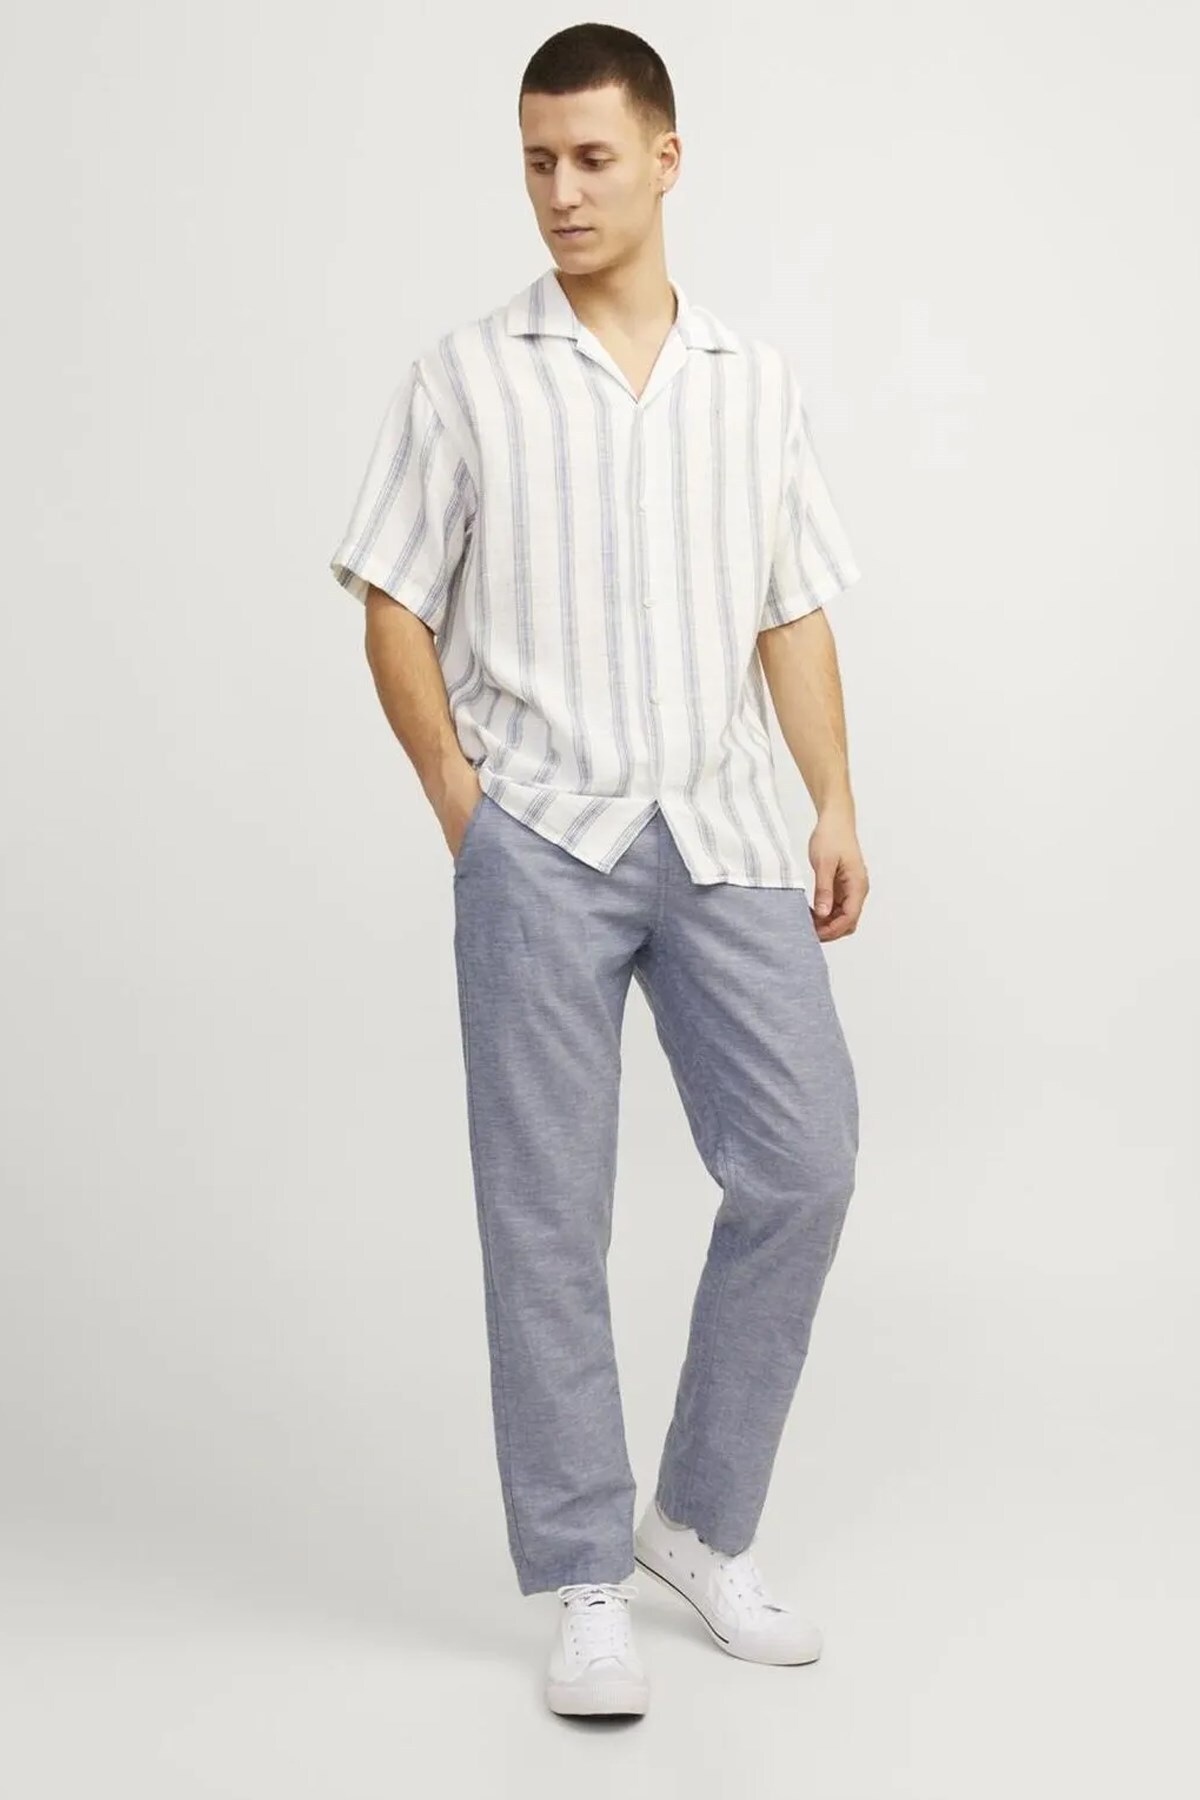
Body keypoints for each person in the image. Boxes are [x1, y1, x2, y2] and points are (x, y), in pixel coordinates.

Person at [328, 22, 868, 1720]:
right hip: (542, 843)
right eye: (538, 163)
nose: (561, 192)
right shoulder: (463, 378)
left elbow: (791, 605)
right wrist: (460, 801)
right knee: (546, 1216)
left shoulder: (753, 381)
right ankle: (580, 1576)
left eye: (591, 159)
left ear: (665, 160)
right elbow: (392, 596)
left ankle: (695, 1523)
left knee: (804, 1163)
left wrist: (835, 799)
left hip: (726, 830)